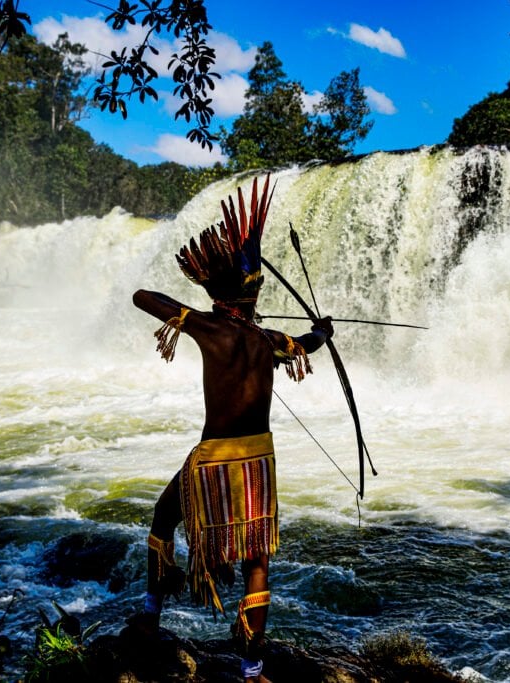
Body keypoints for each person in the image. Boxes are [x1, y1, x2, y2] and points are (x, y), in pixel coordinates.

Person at [128, 176, 333, 683]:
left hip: (215, 458)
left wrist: (193, 309)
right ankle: (252, 669)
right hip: (259, 460)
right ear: (254, 290)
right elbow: (305, 343)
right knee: (257, 561)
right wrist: (323, 331)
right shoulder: (268, 338)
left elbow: (140, 295)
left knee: (162, 516)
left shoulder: (207, 325)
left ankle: (152, 619)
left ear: (217, 292)